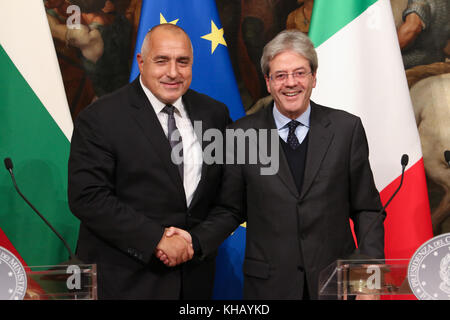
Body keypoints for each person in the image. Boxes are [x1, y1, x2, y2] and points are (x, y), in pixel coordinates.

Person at [160, 29, 385, 300]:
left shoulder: (346, 129)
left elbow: (367, 209)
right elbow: (230, 210)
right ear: (268, 82)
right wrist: (193, 242)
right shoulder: (241, 134)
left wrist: (367, 278)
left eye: (300, 73)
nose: (291, 83)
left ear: (314, 78)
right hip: (269, 288)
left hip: (335, 285)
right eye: (280, 75)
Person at [68, 23, 231, 299]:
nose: (173, 72)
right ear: (141, 62)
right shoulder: (100, 118)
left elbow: (230, 196)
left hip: (193, 281)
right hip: (125, 281)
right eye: (161, 60)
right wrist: (155, 239)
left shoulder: (214, 114)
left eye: (183, 62)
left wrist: (195, 241)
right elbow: (88, 197)